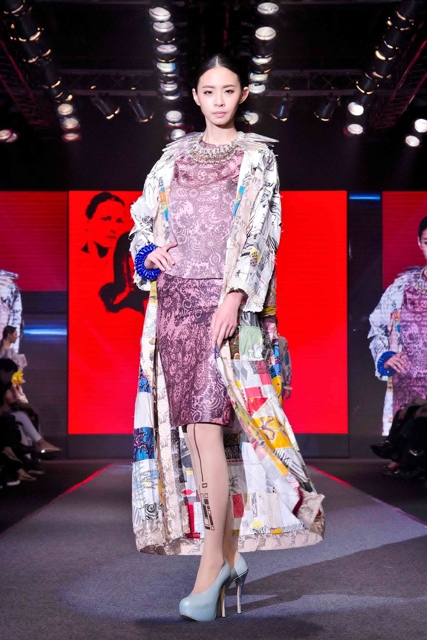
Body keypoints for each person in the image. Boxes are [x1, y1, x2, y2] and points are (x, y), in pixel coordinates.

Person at [130, 54, 325, 622]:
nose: (218, 100)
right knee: (195, 435)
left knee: (212, 431)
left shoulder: (258, 157)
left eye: (228, 90)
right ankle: (231, 556)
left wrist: (235, 298)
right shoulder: (171, 157)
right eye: (209, 91)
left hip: (227, 309)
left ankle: (210, 568)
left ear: (242, 95)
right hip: (175, 306)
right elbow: (141, 222)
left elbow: (263, 236)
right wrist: (149, 251)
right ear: (195, 95)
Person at [369, 216, 427, 436]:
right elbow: (377, 327)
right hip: (407, 386)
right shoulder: (402, 287)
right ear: (419, 243)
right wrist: (385, 356)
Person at [82, 192, 126, 258]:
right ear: (88, 223)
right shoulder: (74, 257)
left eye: (119, 221)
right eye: (105, 219)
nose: (113, 228)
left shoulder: (125, 260)